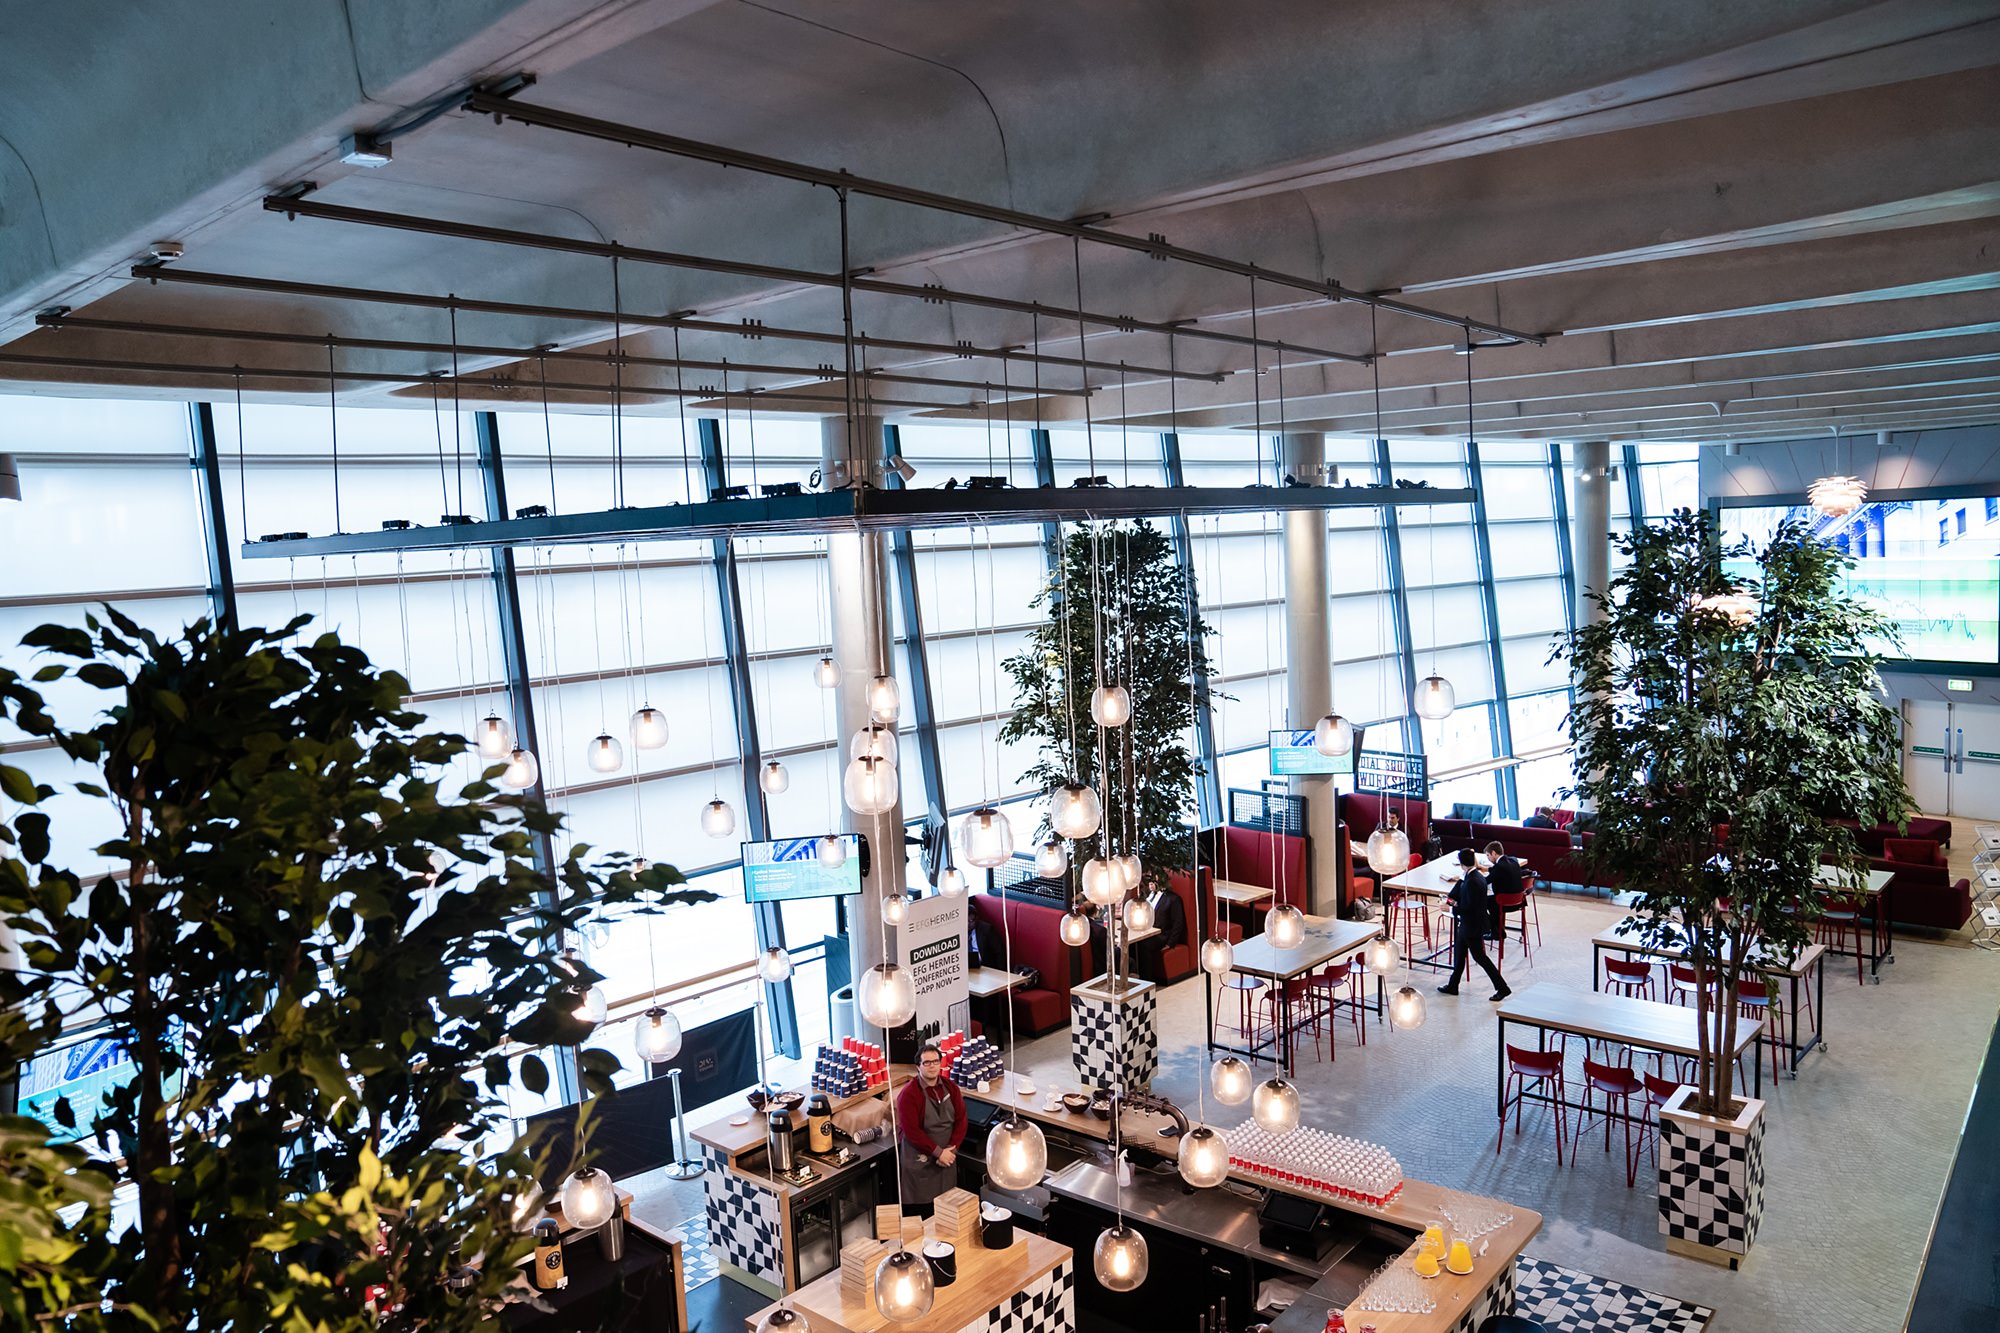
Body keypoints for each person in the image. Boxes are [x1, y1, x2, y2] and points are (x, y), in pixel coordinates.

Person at [896, 1041, 967, 1214]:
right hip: (920, 1160)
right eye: (926, 1062)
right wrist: (938, 1152)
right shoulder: (908, 1094)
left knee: (946, 1208)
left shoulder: (951, 1088)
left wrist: (951, 1149)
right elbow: (912, 1132)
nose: (932, 1066)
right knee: (922, 1212)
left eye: (935, 1061)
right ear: (918, 1066)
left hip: (947, 1157)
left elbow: (961, 1120)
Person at [1438, 848, 1510, 1000]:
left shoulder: (1472, 882)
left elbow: (1470, 908)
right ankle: (1453, 985)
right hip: (1468, 924)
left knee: (1480, 958)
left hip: (1472, 925)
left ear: (1461, 864)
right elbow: (1457, 893)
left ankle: (1502, 988)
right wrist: (1450, 899)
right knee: (1459, 955)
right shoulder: (1473, 876)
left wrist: (1451, 908)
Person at [1484, 840, 1526, 943]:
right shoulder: (1513, 861)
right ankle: (1498, 930)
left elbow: (1485, 881)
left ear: (1494, 853)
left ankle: (1494, 931)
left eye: (1488, 855)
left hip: (1504, 903)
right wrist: (1485, 868)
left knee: (1479, 902)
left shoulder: (1499, 867)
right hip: (1519, 901)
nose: (1488, 858)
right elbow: (1497, 871)